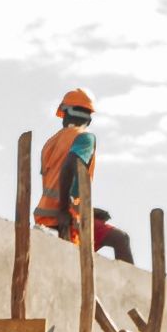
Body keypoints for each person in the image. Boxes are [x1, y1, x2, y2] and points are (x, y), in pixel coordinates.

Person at [35, 92, 97, 244]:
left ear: (65, 113)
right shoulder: (85, 138)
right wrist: (63, 210)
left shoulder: (51, 143)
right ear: (88, 118)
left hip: (45, 216)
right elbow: (69, 165)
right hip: (66, 219)